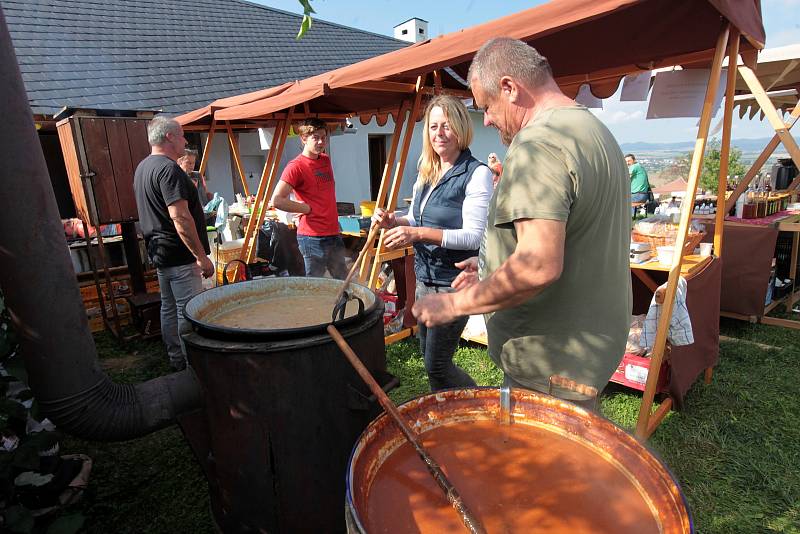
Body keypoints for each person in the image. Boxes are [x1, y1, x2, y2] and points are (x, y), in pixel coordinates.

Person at [413, 38, 631, 403]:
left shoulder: (537, 146)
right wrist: (488, 266)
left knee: (547, 460)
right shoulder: (592, 130)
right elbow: (570, 235)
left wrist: (452, 305)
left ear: (510, 88)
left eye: (486, 106)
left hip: (550, 359)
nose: (487, 119)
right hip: (585, 348)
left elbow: (538, 266)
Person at [373, 95, 493, 391]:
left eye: (446, 126)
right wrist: (393, 220)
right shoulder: (427, 170)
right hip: (426, 277)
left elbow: (473, 236)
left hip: (454, 282)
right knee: (429, 357)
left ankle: (473, 404)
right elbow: (415, 218)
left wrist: (418, 234)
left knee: (436, 365)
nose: (438, 133)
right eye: (433, 126)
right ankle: (447, 411)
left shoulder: (477, 174)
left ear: (461, 128)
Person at [134, 116, 213, 371]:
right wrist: (201, 257)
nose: (185, 140)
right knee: (187, 311)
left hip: (160, 253)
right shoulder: (169, 170)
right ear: (169, 137)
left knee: (168, 307)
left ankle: (175, 359)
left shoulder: (144, 167)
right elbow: (179, 216)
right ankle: (193, 367)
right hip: (179, 255)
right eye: (181, 135)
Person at [271, 118, 347, 279]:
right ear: (304, 139)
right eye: (316, 137)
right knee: (314, 286)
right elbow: (277, 200)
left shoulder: (325, 159)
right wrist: (305, 208)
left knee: (344, 283)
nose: (321, 142)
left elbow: (324, 195)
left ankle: (342, 305)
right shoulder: (295, 166)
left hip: (333, 232)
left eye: (323, 137)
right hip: (312, 238)